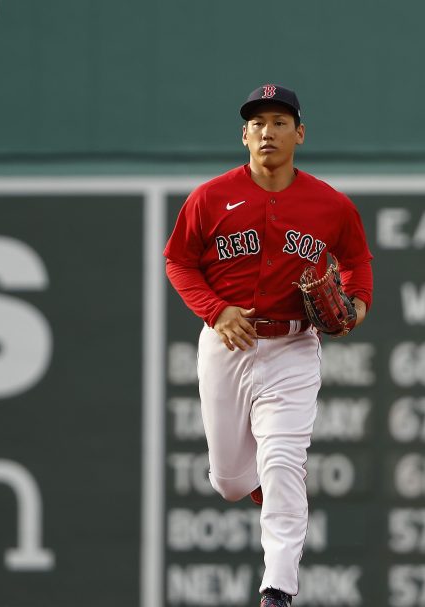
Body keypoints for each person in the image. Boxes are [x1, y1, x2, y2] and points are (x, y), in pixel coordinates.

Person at [163, 84, 373, 607]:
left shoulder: (329, 204)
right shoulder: (209, 198)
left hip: (293, 347)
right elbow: (179, 261)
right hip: (226, 345)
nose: (267, 131)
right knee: (231, 483)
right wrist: (216, 310)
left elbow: (357, 261)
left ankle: (277, 588)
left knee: (283, 461)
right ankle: (255, 484)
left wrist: (358, 303)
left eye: (279, 121)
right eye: (257, 123)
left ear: (299, 133)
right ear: (244, 135)